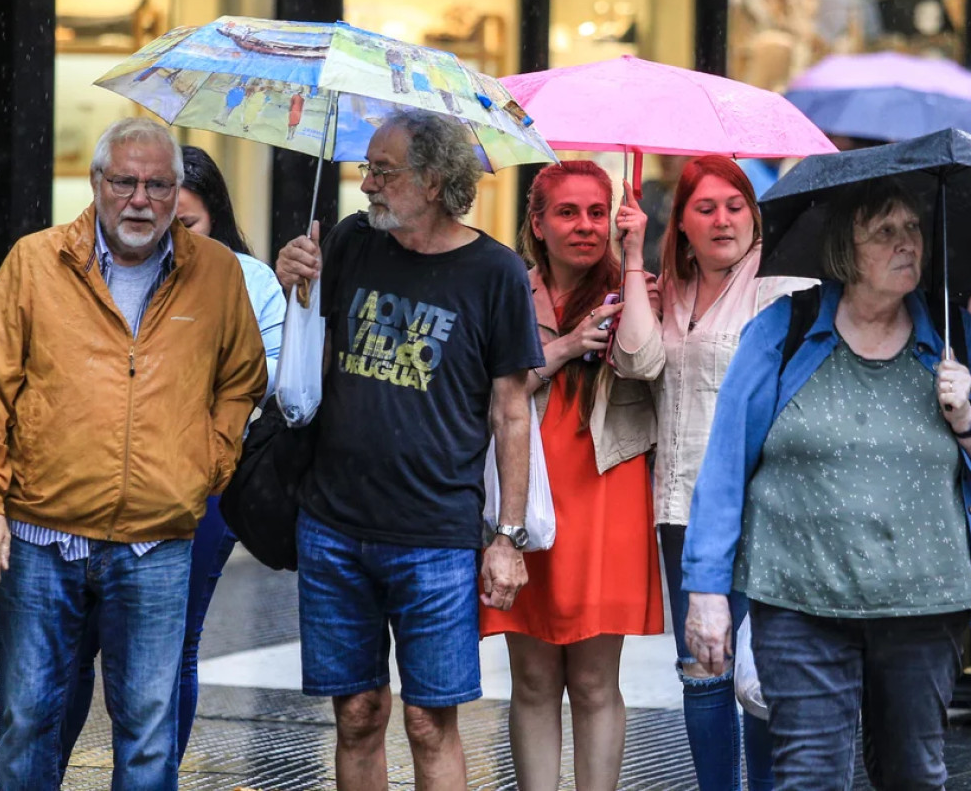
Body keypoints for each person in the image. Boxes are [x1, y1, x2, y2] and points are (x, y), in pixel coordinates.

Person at [0, 117, 267, 790]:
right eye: (124, 181)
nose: (140, 199)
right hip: (41, 533)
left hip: (157, 541)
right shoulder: (35, 262)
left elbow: (242, 376)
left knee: (149, 733)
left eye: (157, 184)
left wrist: (205, 465)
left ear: (178, 191)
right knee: (29, 718)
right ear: (97, 184)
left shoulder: (215, 273)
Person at [683, 177, 971, 791]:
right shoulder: (785, 331)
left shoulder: (953, 337)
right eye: (885, 233)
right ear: (846, 250)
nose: (907, 245)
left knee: (912, 776)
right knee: (810, 777)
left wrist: (967, 420)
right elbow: (725, 466)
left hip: (924, 605)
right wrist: (707, 592)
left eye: (913, 229)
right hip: (800, 600)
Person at [274, 110, 541, 791]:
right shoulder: (350, 242)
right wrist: (294, 286)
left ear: (434, 181)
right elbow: (307, 361)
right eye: (366, 169)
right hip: (333, 524)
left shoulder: (497, 272)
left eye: (383, 171)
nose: (366, 185)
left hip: (436, 533)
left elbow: (512, 412)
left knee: (429, 721)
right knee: (358, 712)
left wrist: (506, 537)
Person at [58, 145, 286, 765]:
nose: (171, 232)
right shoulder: (104, 267)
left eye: (188, 224)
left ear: (215, 218)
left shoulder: (248, 278)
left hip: (203, 482)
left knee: (172, 645)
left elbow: (265, 380)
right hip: (101, 474)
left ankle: (154, 777)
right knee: (78, 645)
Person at [613, 155, 813, 791]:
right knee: (701, 665)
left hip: (761, 507)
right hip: (678, 507)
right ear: (683, 223)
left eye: (735, 206)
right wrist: (633, 258)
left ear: (755, 217)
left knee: (754, 671)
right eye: (706, 208)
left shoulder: (782, 288)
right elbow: (637, 362)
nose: (722, 219)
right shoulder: (666, 287)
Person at [479, 160, 663, 791]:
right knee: (531, 679)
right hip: (523, 495)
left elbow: (642, 361)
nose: (584, 226)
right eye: (567, 212)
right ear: (537, 222)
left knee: (592, 680)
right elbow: (487, 393)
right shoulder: (506, 290)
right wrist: (565, 344)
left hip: (604, 495)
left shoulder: (636, 288)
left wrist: (635, 259)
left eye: (596, 213)